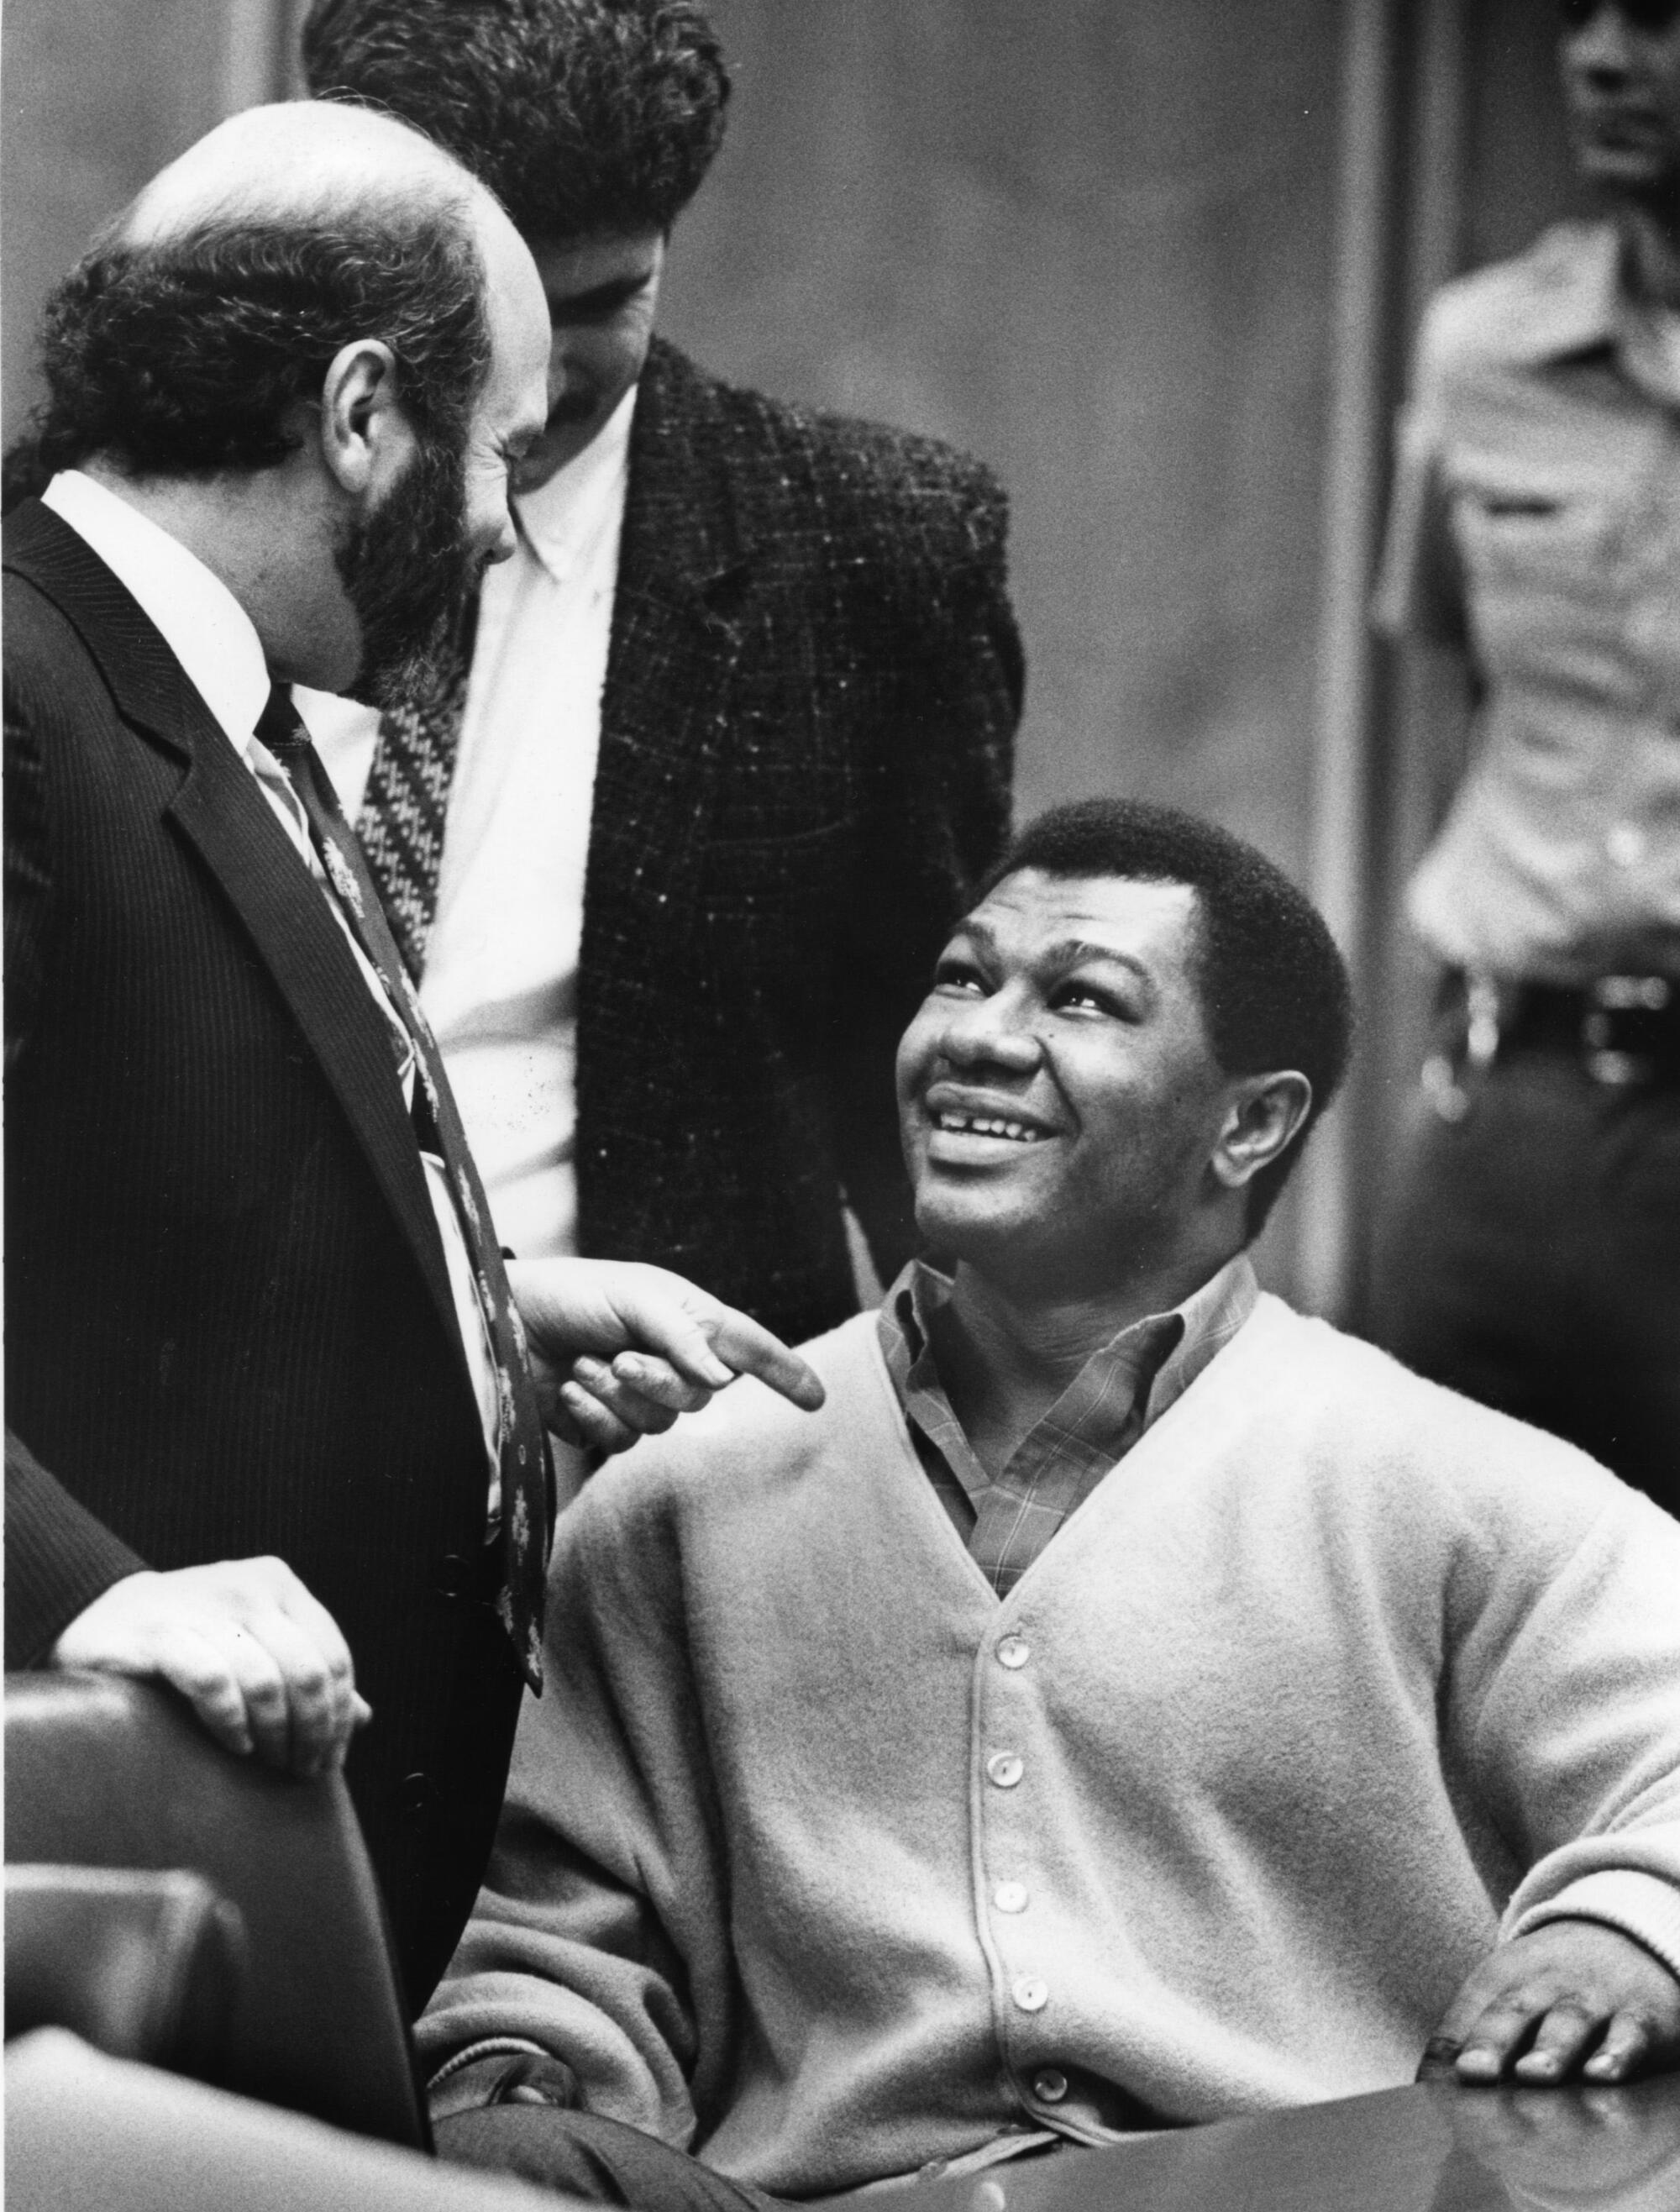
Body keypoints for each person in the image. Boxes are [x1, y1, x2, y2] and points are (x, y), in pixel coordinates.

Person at [413, 798, 1680, 2209]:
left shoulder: (1443, 1482)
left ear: (1251, 1123)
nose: (980, 1034)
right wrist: (527, 2077)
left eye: (1081, 998)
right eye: (962, 978)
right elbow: (547, 1940)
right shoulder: (681, 1496)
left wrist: (1628, 1927)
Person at [3, 100, 822, 2011]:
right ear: (364, 412)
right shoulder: (20, 695)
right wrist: (96, 1595)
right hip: (109, 1881)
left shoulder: (217, 693)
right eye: (501, 451)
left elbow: (132, 1178)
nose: (496, 524)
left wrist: (477, 1303)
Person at [294, 0, 1024, 1354]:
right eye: (482, 302)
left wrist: (956, 1431)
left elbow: (931, 1100)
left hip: (676, 1425)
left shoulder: (873, 551)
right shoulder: (156, 513)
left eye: (605, 302)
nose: (541, 371)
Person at [1370, 0, 1680, 1513]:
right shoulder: (1484, 349)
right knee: (1412, 1585)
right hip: (1510, 1107)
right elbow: (1446, 684)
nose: (1602, 56)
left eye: (1661, 18)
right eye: (1581, 11)